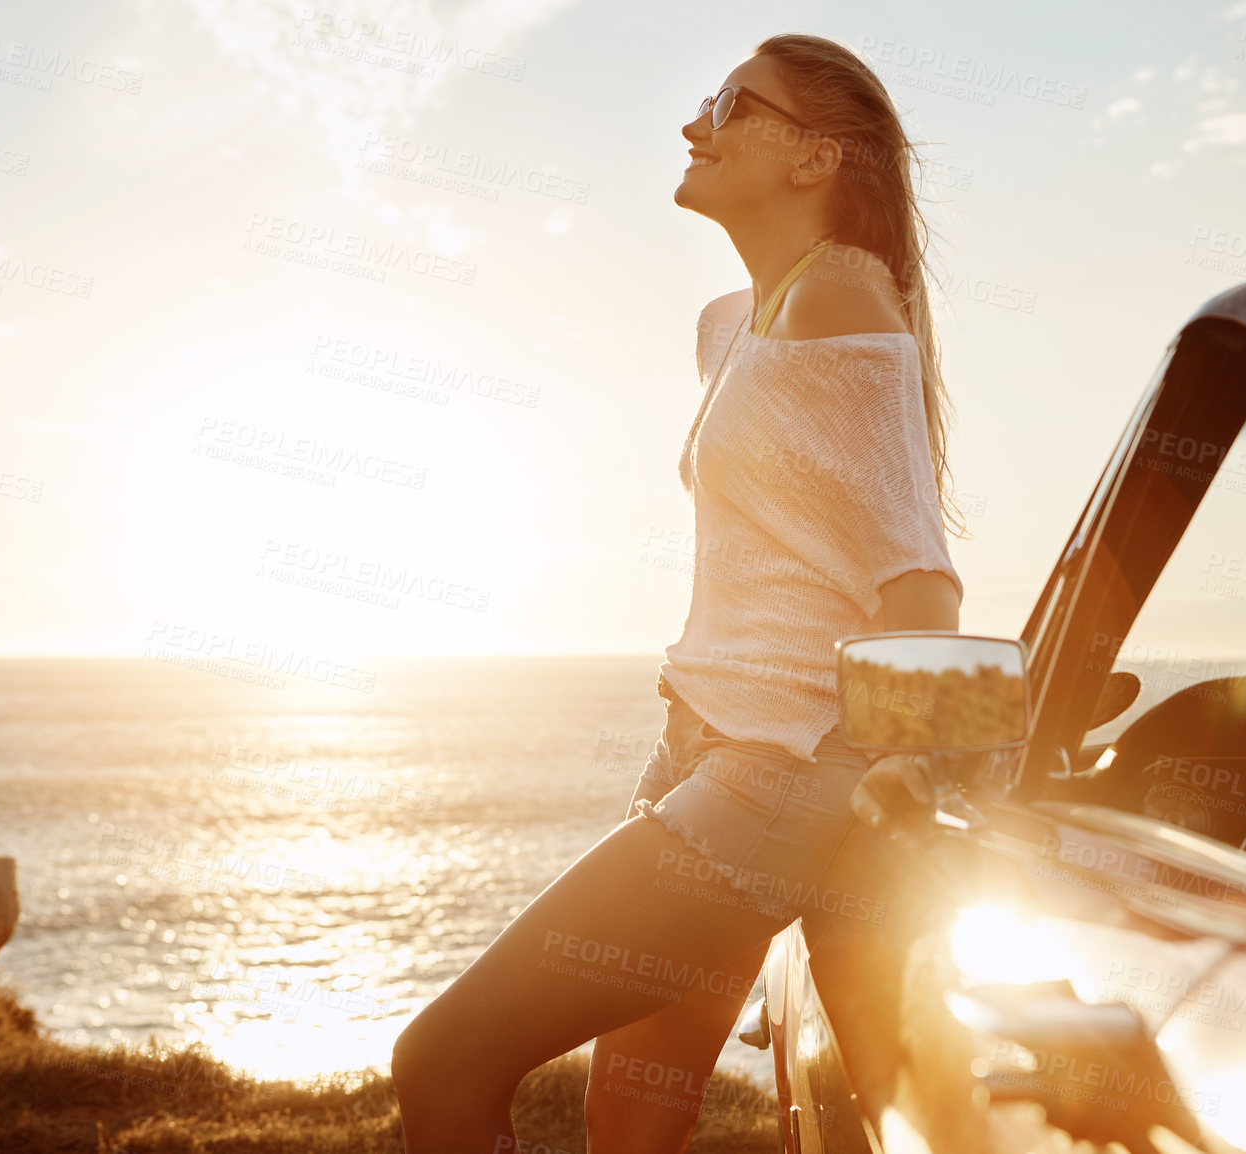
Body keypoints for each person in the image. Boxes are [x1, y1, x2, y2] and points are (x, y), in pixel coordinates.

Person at [390, 32, 968, 1154]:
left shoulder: (842, 298)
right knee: (630, 1127)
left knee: (442, 1060)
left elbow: (921, 582)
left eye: (731, 103)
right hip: (705, 746)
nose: (695, 121)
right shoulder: (733, 324)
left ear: (815, 157)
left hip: (777, 772)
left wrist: (915, 789)